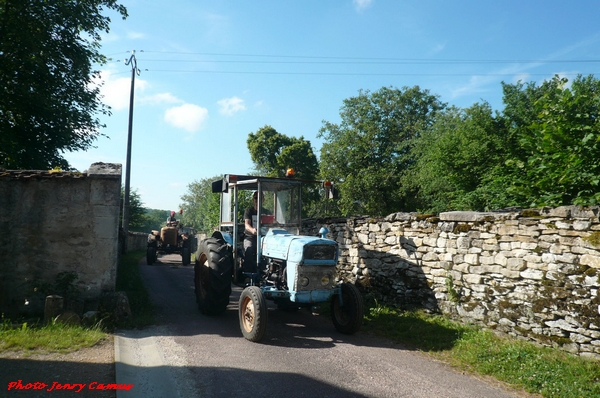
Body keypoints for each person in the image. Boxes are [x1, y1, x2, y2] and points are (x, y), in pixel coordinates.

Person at [243, 191, 270, 273]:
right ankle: (248, 273)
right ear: (253, 199)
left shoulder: (267, 212)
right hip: (250, 237)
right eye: (256, 198)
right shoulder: (249, 211)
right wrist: (253, 230)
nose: (258, 200)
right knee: (250, 249)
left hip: (264, 238)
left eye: (260, 198)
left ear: (263, 200)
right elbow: (247, 225)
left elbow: (273, 223)